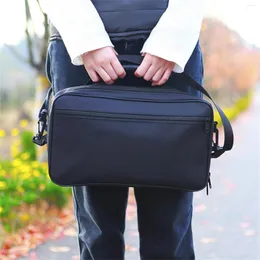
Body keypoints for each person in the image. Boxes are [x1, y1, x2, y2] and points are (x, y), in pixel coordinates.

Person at [42, 0, 205, 259]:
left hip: (171, 44)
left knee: (170, 220)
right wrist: (87, 39)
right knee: (97, 223)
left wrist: (172, 38)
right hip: (79, 45)